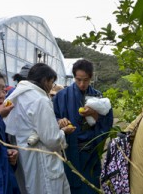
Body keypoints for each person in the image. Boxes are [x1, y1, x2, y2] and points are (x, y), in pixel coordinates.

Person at [5, 63, 74, 194]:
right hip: (41, 157)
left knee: (28, 187)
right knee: (45, 188)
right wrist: (63, 132)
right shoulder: (40, 99)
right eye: (51, 82)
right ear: (44, 80)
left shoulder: (17, 95)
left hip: (23, 153)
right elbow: (52, 140)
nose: (51, 87)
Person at [53, 59, 114, 193]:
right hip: (69, 150)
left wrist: (94, 114)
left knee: (90, 186)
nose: (82, 84)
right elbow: (52, 118)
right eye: (78, 79)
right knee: (70, 184)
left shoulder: (98, 97)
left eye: (85, 80)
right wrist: (59, 122)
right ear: (74, 77)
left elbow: (107, 122)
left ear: (91, 78)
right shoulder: (61, 96)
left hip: (90, 153)